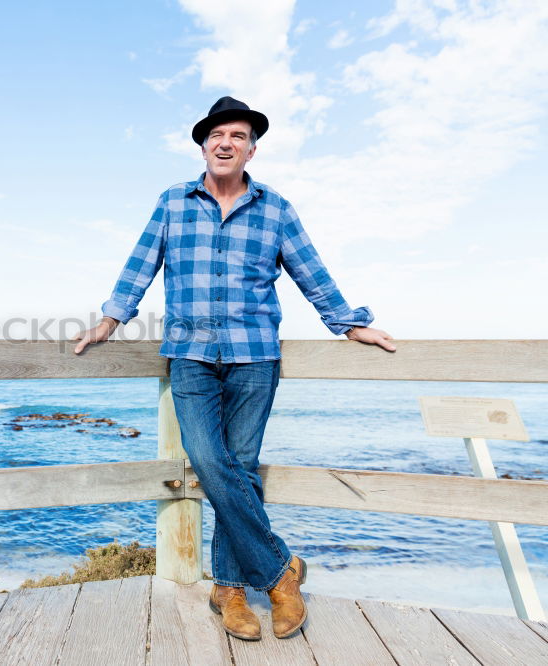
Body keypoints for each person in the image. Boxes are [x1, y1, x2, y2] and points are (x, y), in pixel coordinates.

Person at [72, 96, 396, 641]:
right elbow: (139, 265)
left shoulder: (276, 209)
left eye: (238, 136)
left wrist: (347, 322)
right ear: (203, 145)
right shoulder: (174, 202)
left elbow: (310, 271)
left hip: (254, 357)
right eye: (217, 134)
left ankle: (228, 590)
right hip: (191, 355)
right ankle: (280, 570)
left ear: (251, 148)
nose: (226, 143)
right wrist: (110, 320)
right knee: (211, 462)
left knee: (239, 469)